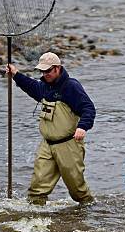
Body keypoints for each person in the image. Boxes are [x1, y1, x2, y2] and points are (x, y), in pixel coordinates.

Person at [6, 52, 96, 205]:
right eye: (42, 71)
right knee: (37, 189)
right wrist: (16, 75)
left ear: (58, 68)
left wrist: (82, 127)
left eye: (48, 71)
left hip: (69, 145)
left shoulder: (71, 86)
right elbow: (32, 86)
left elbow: (88, 108)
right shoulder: (44, 87)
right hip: (47, 145)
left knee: (78, 192)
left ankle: (90, 212)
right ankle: (35, 221)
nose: (45, 74)